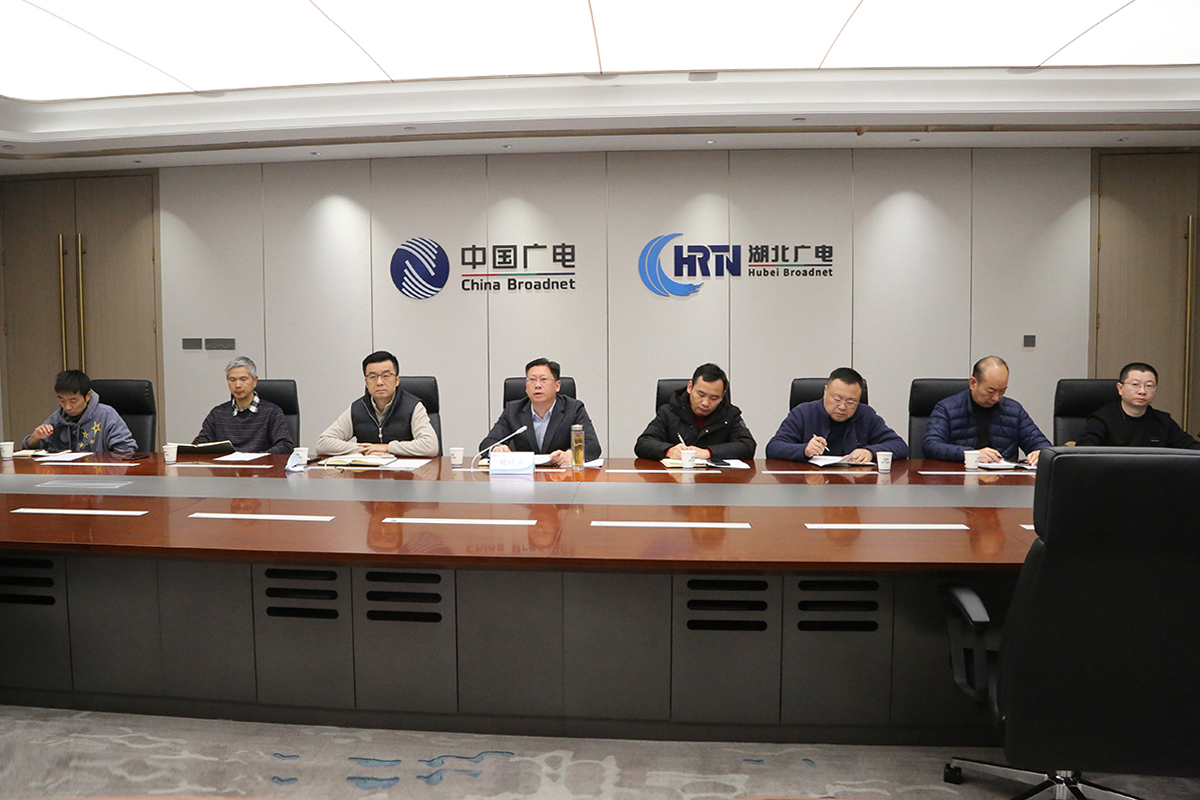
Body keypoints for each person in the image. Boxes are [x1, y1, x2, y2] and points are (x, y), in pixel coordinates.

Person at [924, 355, 1052, 465]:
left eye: (1002, 391)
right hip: (960, 479)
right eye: (991, 391)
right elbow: (931, 445)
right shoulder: (947, 408)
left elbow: (1042, 445)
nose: (996, 398)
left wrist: (1040, 453)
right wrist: (971, 455)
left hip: (1004, 480)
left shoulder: (1014, 410)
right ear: (973, 383)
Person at [765, 367, 907, 463]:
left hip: (854, 486)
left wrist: (870, 452)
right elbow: (773, 447)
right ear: (825, 391)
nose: (842, 407)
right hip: (811, 485)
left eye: (851, 402)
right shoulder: (803, 413)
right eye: (837, 399)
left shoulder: (866, 415)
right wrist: (804, 450)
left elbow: (900, 445)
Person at [480, 358, 600, 466]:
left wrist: (571, 455)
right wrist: (496, 448)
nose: (537, 385)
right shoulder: (513, 410)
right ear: (526, 386)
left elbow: (593, 446)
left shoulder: (573, 409)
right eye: (532, 380)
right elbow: (487, 443)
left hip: (562, 477)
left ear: (557, 386)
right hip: (524, 477)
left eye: (543, 379)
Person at [316, 350, 438, 457]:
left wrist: (388, 448)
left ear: (397, 380)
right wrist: (366, 449)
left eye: (386, 376)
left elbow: (430, 446)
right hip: (368, 473)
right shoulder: (358, 408)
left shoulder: (412, 406)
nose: (379, 382)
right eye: (373, 377)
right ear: (366, 382)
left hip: (404, 474)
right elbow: (323, 443)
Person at [634, 363, 756, 461]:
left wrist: (708, 453)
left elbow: (747, 446)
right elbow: (643, 444)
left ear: (723, 396)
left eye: (714, 398)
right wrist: (669, 451)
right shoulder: (669, 411)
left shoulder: (729, 414)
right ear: (690, 387)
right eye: (701, 394)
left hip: (717, 480)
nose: (705, 403)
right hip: (674, 479)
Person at [1075, 361, 1200, 448]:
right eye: (1135, 385)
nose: (1142, 391)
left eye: (1149, 386)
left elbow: (1191, 449)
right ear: (1120, 388)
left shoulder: (1163, 421)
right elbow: (1084, 453)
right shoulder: (1102, 419)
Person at [193, 356, 294, 454]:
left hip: (259, 465)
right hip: (227, 465)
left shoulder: (272, 413)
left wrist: (256, 458)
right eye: (232, 380)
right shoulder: (217, 414)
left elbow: (285, 446)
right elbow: (200, 445)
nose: (237, 385)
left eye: (243, 379)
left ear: (255, 381)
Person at [23, 370, 137, 454]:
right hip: (65, 475)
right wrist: (35, 438)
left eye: (73, 400)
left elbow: (126, 450)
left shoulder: (106, 415)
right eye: (62, 400)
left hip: (99, 475)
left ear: (87, 397)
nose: (67, 407)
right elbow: (29, 449)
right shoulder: (57, 418)